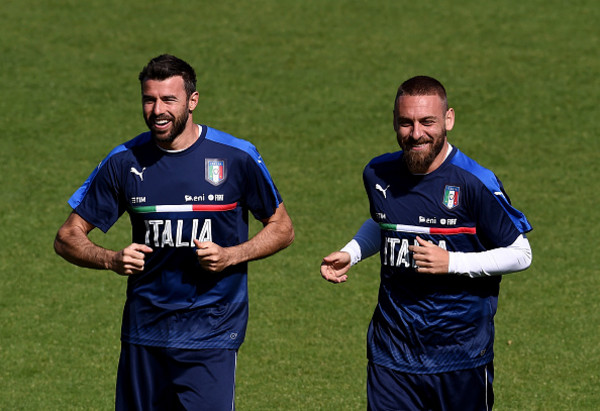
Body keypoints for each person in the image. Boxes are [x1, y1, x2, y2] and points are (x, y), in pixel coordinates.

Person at [55, 54, 294, 410]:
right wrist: (111, 259)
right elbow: (66, 237)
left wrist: (231, 254)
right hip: (144, 331)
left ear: (192, 101)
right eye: (149, 100)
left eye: (169, 99)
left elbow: (282, 228)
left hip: (212, 330)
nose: (157, 110)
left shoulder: (236, 157)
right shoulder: (125, 160)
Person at [320, 76, 532, 410]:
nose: (416, 133)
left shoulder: (475, 181)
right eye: (406, 123)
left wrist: (452, 264)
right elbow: (385, 221)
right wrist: (352, 252)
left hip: (460, 355)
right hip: (392, 353)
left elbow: (521, 254)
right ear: (394, 122)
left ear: (448, 119)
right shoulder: (378, 172)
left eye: (427, 122)